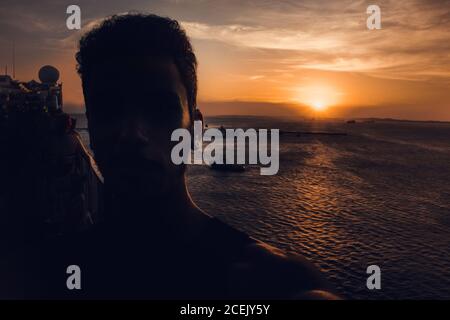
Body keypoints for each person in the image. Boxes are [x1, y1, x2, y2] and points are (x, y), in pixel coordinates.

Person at [0, 13, 338, 300]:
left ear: (194, 128)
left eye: (159, 109)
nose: (132, 133)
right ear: (90, 124)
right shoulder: (35, 277)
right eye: (109, 109)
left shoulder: (280, 286)